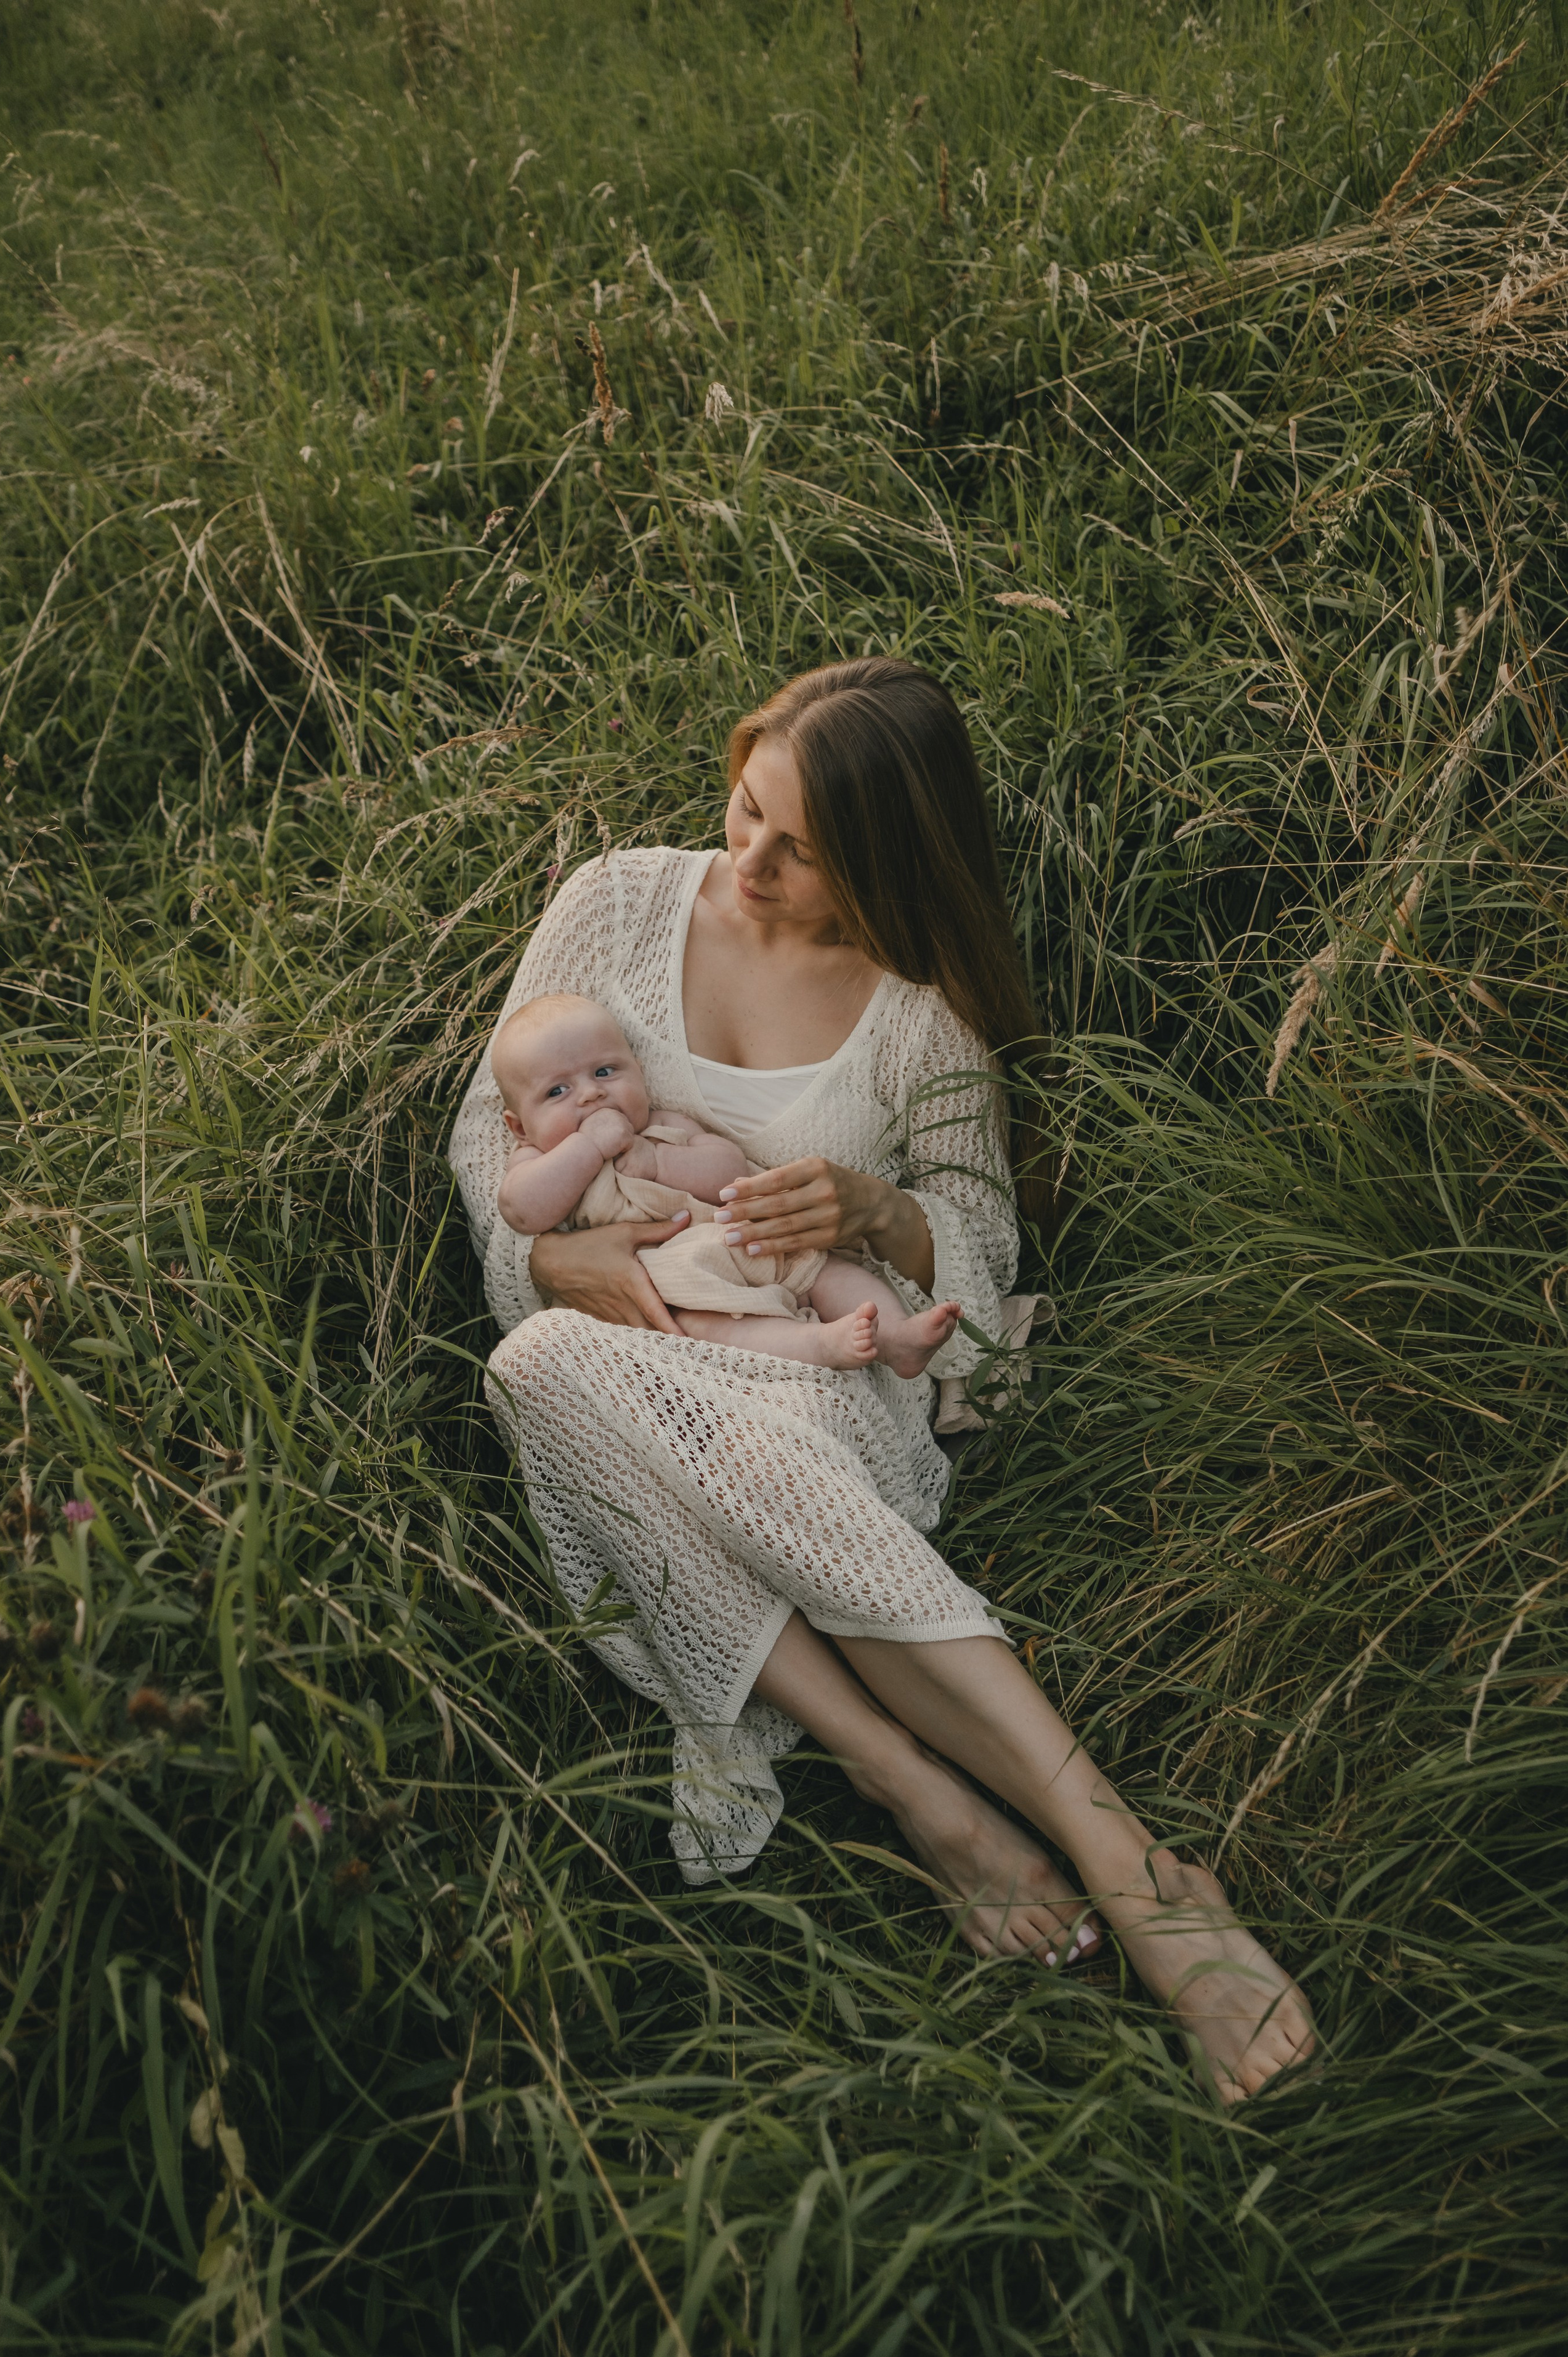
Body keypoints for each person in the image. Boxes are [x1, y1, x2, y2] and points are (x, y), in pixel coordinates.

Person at [449, 657, 1312, 2101]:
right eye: (745, 811)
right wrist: (551, 1266)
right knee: (538, 1360)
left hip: (826, 1372)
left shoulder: (919, 1023)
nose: (753, 860)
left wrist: (867, 1210)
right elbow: (487, 1140)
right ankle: (910, 1784)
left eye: (804, 851)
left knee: (703, 1442)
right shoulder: (612, 903)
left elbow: (975, 1274)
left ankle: (1123, 1854)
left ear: (887, 859)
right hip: (627, 1346)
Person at [490, 989, 964, 1374]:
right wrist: (587, 1147)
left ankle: (897, 1336)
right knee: (706, 1327)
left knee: (831, 1272)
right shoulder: (535, 1159)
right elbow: (525, 1212)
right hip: (673, 1286)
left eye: (605, 1071)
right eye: (558, 1091)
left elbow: (728, 1172)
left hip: (752, 1244)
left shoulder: (663, 1125)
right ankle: (817, 1345)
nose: (591, 1094)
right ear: (518, 1126)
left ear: (639, 1070)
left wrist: (657, 1160)